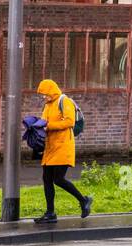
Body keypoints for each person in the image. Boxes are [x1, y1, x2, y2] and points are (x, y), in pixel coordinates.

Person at [33, 78, 93, 224]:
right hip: (50, 147)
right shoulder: (47, 105)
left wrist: (48, 126)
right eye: (42, 95)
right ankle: (50, 213)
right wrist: (35, 127)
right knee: (47, 179)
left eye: (45, 94)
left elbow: (69, 121)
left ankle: (84, 200)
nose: (44, 97)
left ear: (51, 91)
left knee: (58, 179)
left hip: (63, 146)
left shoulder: (64, 101)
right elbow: (44, 122)